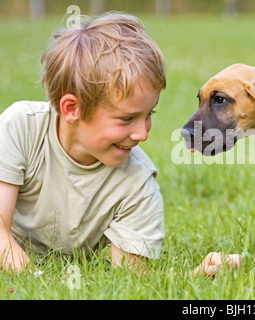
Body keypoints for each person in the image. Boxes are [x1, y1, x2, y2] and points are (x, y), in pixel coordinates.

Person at [0, 12, 241, 275]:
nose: (142, 134)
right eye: (127, 118)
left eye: (149, 115)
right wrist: (37, 281)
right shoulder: (20, 127)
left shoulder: (137, 181)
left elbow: (131, 279)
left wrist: (195, 275)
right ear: (72, 109)